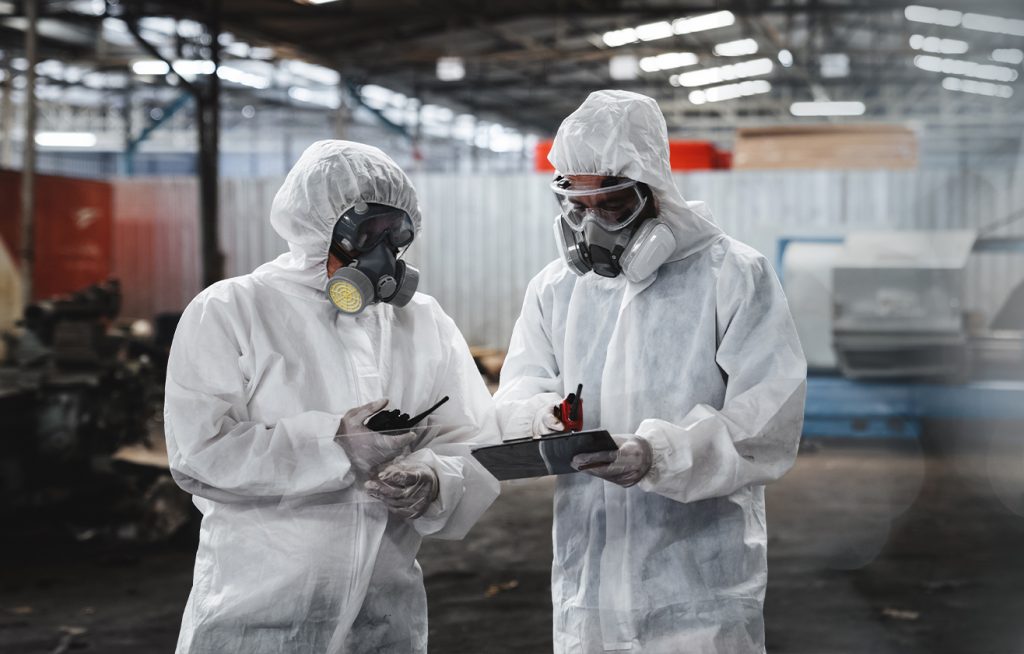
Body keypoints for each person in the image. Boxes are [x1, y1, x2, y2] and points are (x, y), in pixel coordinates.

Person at [495, 90, 807, 653]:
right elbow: (520, 386)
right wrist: (539, 416)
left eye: (610, 203)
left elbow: (768, 421)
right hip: (587, 581)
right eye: (577, 204)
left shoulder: (732, 274)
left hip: (699, 585)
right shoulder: (555, 288)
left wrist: (657, 454)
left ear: (651, 189)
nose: (590, 225)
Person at [165, 140, 500, 653]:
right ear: (316, 226)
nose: (383, 253)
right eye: (368, 233)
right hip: (257, 618)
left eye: (395, 235)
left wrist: (434, 479)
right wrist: (333, 444)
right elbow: (199, 453)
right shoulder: (232, 310)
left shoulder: (422, 320)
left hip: (385, 618)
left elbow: (470, 437)